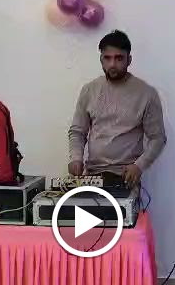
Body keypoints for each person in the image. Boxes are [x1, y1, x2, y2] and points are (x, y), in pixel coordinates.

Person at [68, 30, 166, 188]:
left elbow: (158, 138)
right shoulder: (89, 90)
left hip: (126, 177)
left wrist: (139, 166)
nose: (112, 64)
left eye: (119, 58)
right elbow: (77, 131)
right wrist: (76, 158)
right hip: (93, 174)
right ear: (101, 60)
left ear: (129, 60)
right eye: (107, 58)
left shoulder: (147, 93)